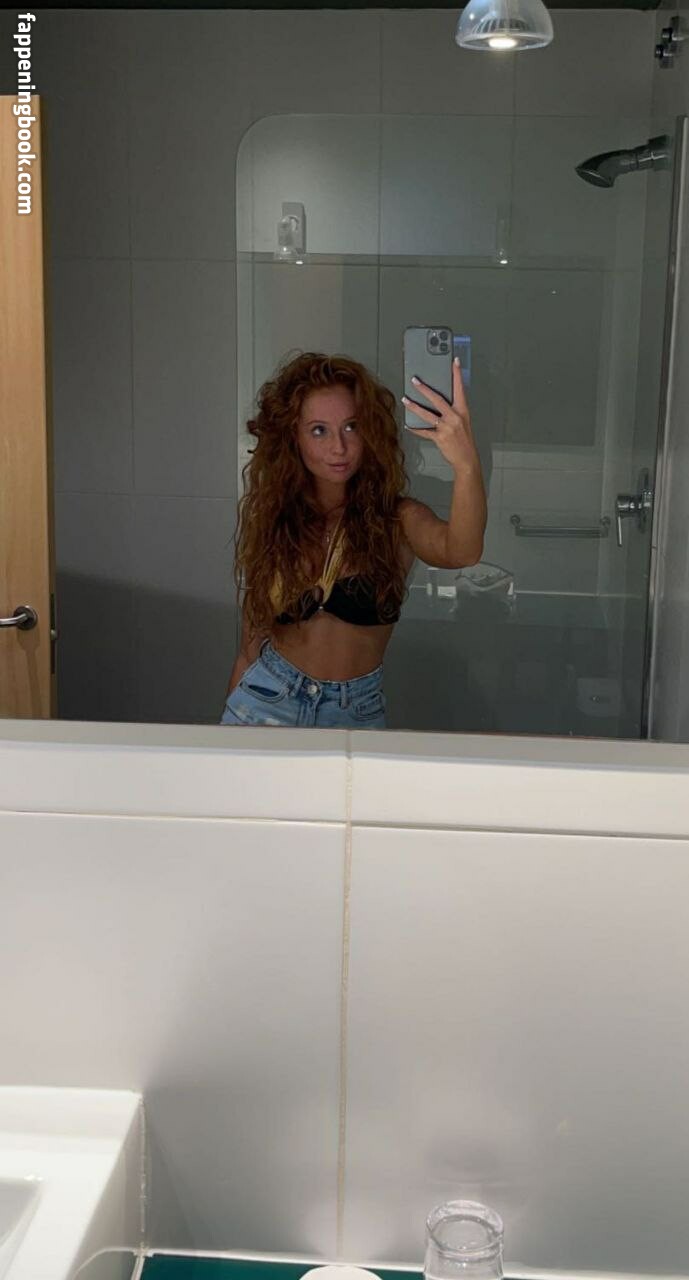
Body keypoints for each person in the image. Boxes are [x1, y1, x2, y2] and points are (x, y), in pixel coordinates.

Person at [220, 351, 487, 729]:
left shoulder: (397, 519)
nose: (339, 447)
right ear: (293, 437)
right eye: (319, 430)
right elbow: (248, 651)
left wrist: (465, 463)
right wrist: (225, 739)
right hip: (265, 700)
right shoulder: (276, 520)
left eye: (351, 426)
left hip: (354, 711)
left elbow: (462, 551)